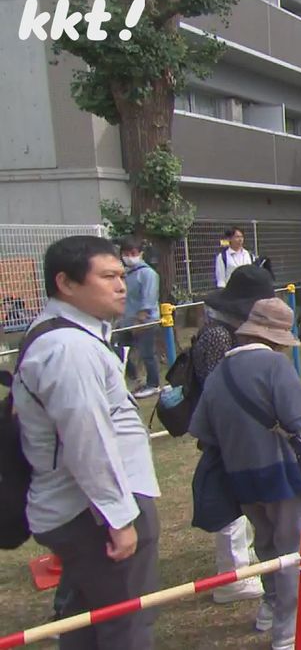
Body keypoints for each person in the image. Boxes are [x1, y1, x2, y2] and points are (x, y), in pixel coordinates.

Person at [16, 235, 161, 648]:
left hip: (90, 506)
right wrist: (119, 518)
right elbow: (88, 439)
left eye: (122, 275)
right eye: (108, 276)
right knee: (125, 622)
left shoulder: (73, 335)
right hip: (92, 511)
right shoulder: (68, 348)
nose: (121, 285)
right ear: (66, 283)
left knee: (88, 617)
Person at [189, 297, 301, 650]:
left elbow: (204, 431)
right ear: (276, 339)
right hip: (280, 472)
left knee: (265, 543)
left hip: (240, 476)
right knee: (292, 551)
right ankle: (287, 633)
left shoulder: (219, 373)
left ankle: (269, 608)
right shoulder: (275, 366)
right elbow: (299, 419)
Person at [190, 265, 276, 608]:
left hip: (235, 433)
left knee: (243, 500)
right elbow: (219, 389)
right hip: (226, 434)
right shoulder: (218, 336)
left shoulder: (224, 330)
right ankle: (232, 577)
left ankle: (241, 566)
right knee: (230, 507)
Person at [118, 238, 163, 399]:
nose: (129, 256)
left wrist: (140, 321)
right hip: (126, 321)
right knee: (121, 351)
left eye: (133, 253)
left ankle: (154, 384)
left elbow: (148, 300)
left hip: (146, 322)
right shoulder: (125, 273)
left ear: (140, 254)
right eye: (126, 253)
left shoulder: (147, 273)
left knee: (147, 354)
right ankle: (134, 380)